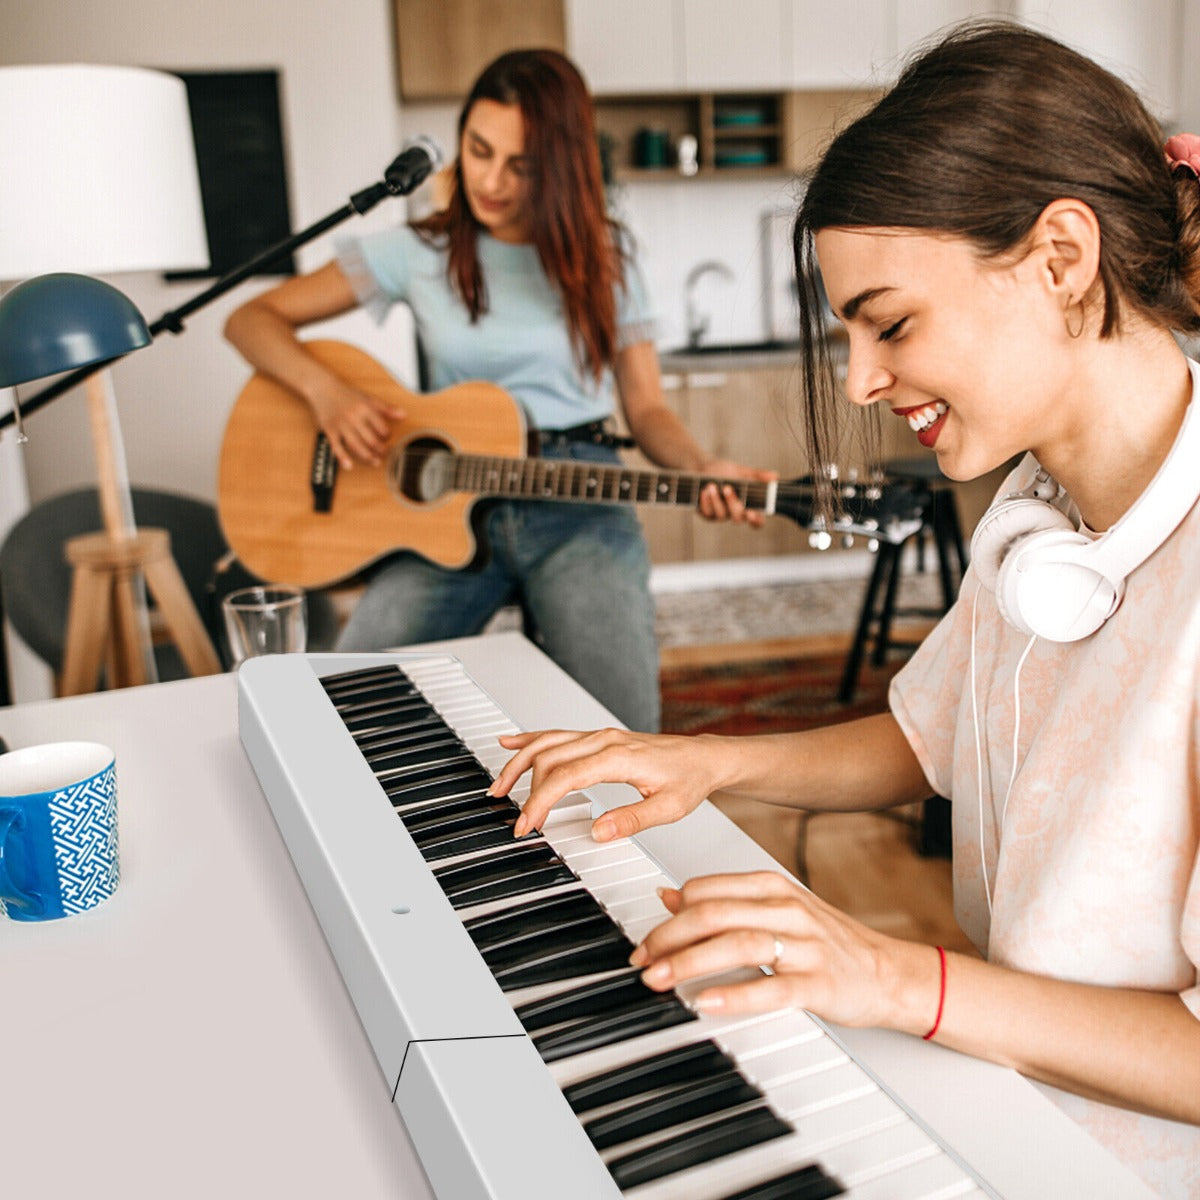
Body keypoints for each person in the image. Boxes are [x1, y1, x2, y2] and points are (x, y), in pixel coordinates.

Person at [488, 23, 1200, 1197]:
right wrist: (708, 762)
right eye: (849, 333)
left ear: (1062, 259)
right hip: (1009, 1088)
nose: (863, 380)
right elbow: (930, 737)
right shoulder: (1040, 505)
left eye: (893, 322)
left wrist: (885, 975)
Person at [224, 49, 771, 733]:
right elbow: (250, 319)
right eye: (478, 150)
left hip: (580, 499)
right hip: (443, 506)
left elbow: (648, 407)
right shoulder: (414, 252)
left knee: (623, 733)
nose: (489, 180)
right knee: (341, 709)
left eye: (521, 165)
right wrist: (325, 393)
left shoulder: (607, 258)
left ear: (561, 167)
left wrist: (699, 467)